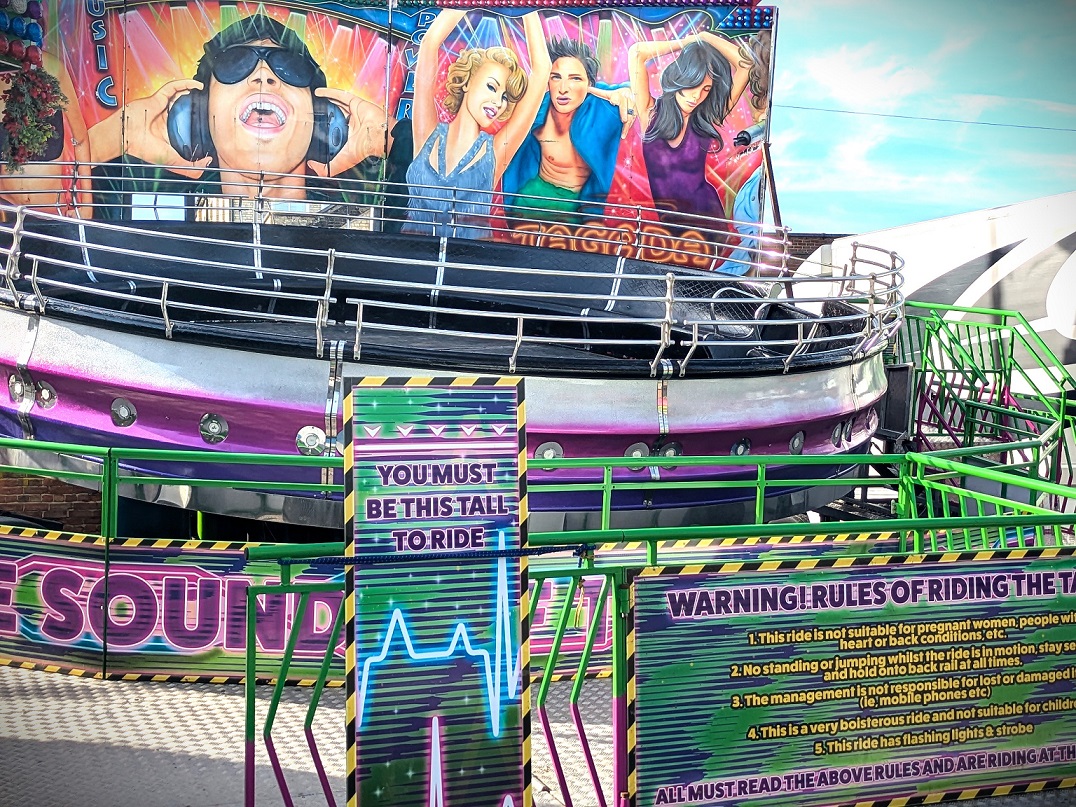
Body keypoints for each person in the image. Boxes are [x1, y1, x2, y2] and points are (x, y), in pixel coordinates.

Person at [86, 14, 387, 214]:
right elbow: (59, 210)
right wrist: (115, 136)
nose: (264, 77)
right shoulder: (146, 206)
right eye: (235, 63)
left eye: (289, 67)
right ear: (197, 115)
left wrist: (389, 139)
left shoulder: (360, 214)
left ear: (325, 115)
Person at [403, 9, 550, 239]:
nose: (498, 102)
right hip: (411, 257)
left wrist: (528, 7)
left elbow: (542, 71)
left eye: (504, 96)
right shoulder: (427, 134)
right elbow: (430, 43)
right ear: (467, 82)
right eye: (492, 87)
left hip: (468, 259)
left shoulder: (496, 152)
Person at [502, 37, 635, 226]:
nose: (563, 89)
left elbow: (631, 93)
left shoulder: (599, 111)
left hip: (575, 208)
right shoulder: (536, 110)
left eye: (575, 78)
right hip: (531, 199)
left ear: (589, 84)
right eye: (556, 77)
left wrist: (627, 92)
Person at [627, 30, 750, 227]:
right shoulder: (650, 113)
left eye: (706, 89)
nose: (697, 96)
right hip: (672, 227)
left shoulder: (706, 118)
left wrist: (706, 37)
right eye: (694, 85)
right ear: (681, 78)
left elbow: (746, 65)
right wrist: (688, 41)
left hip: (709, 221)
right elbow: (636, 53)